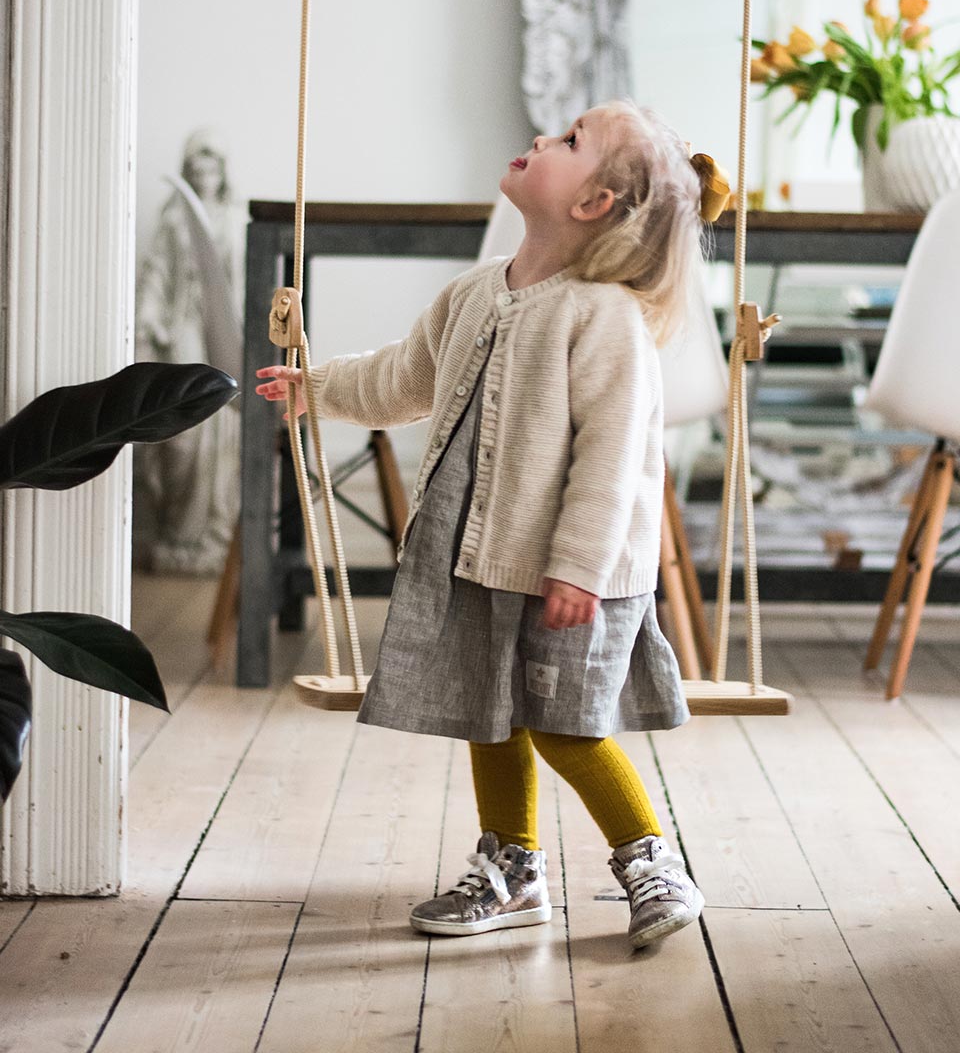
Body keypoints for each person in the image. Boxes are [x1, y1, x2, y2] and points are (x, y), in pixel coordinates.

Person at [256, 100, 722, 949]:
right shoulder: (475, 294)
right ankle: (512, 867)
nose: (545, 137)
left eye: (572, 141)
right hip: (478, 549)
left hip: (573, 572)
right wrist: (314, 387)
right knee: (489, 711)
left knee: (564, 723)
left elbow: (615, 459)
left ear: (592, 205)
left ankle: (649, 856)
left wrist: (577, 565)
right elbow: (403, 378)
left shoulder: (603, 316)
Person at [136, 129, 245, 574]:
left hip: (224, 324)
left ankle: (215, 532)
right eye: (196, 169)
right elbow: (158, 272)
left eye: (211, 168)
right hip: (184, 324)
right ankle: (180, 531)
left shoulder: (236, 219)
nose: (204, 176)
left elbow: (248, 275)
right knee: (183, 427)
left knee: (223, 417)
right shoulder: (175, 219)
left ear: (222, 172)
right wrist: (148, 317)